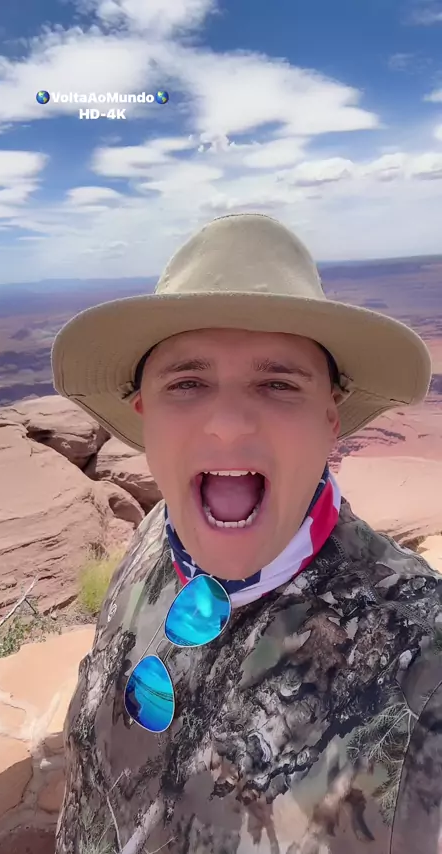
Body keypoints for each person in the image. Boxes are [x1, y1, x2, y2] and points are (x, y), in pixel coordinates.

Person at [51, 214, 442, 854]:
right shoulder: (150, 544)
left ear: (330, 416)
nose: (228, 424)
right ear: (144, 413)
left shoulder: (422, 664)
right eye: (187, 383)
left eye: (278, 383)